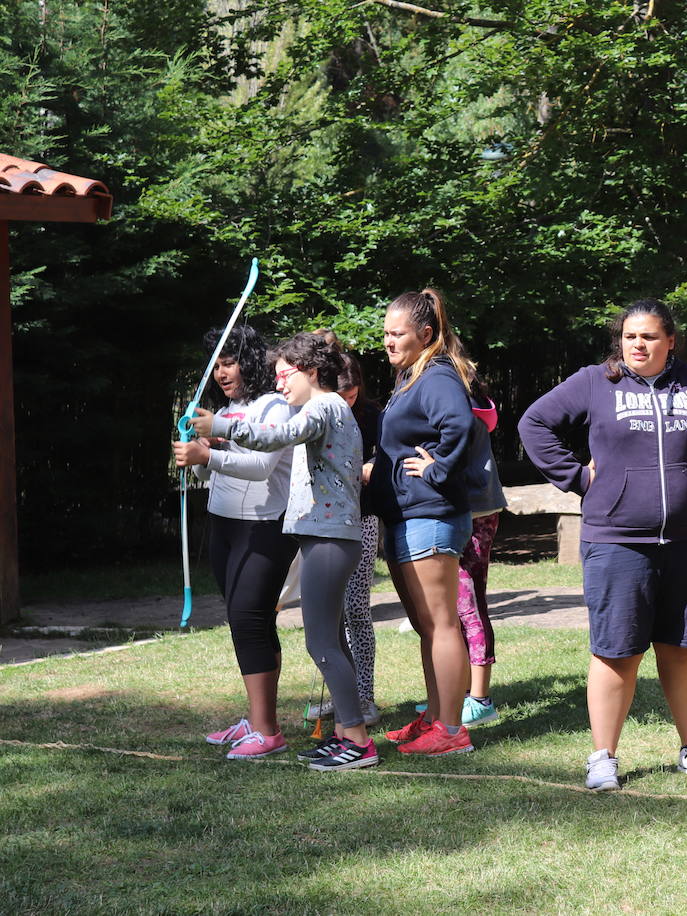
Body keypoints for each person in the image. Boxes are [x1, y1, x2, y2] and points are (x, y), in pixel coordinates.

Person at [519, 299, 687, 791]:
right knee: (616, 651)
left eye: (648, 336)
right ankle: (603, 757)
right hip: (616, 539)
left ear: (670, 342)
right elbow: (533, 424)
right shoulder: (595, 382)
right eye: (629, 336)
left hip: (686, 538)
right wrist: (577, 477)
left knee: (682, 646)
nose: (638, 344)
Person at [190, 332, 375, 771]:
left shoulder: (322, 407)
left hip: (330, 538)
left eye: (284, 375)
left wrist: (220, 427)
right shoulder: (328, 408)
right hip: (325, 536)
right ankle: (346, 733)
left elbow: (280, 435)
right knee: (327, 641)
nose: (278, 385)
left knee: (322, 642)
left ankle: (360, 741)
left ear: (311, 372)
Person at [173, 325, 296, 760]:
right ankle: (260, 720)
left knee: (247, 619)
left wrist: (209, 454)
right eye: (218, 364)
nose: (223, 373)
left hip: (265, 526)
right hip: (222, 524)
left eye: (230, 362)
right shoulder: (226, 410)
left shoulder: (274, 407)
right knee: (252, 622)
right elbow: (215, 474)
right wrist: (200, 454)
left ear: (250, 361)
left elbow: (262, 466)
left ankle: (267, 732)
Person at [371, 289, 479, 757]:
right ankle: (436, 718)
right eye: (386, 333)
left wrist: (436, 470)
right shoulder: (409, 377)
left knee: (441, 623)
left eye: (398, 334)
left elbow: (461, 424)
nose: (389, 342)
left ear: (426, 334)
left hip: (430, 515)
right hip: (406, 515)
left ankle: (453, 731)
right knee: (425, 625)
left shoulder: (436, 376)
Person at [304, 345, 383, 727]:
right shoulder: (318, 411)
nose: (346, 402)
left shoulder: (371, 415)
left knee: (356, 610)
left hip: (362, 520)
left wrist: (369, 466)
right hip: (326, 524)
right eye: (342, 395)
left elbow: (388, 456)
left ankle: (364, 696)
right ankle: (341, 695)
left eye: (352, 396)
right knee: (328, 616)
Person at [457, 379, 507, 728]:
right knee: (458, 606)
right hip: (474, 511)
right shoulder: (471, 404)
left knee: (469, 603)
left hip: (473, 513)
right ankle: (460, 693)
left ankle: (479, 699)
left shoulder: (458, 409)